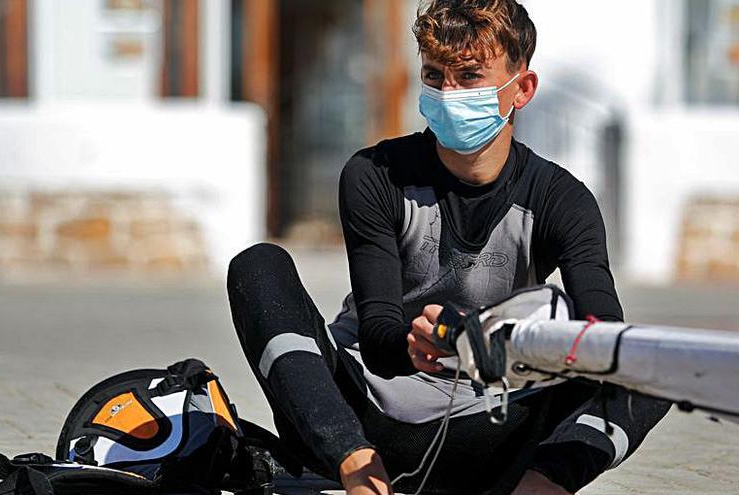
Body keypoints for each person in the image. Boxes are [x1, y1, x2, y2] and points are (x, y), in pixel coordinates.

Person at [226, 1, 670, 493]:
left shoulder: (561, 199)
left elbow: (603, 334)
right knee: (258, 266)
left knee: (654, 363)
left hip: (489, 427)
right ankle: (359, 475)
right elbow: (377, 335)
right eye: (434, 76)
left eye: (470, 76)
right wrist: (410, 345)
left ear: (521, 89)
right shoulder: (375, 174)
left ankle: (542, 486)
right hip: (358, 415)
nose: (448, 93)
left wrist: (519, 347)